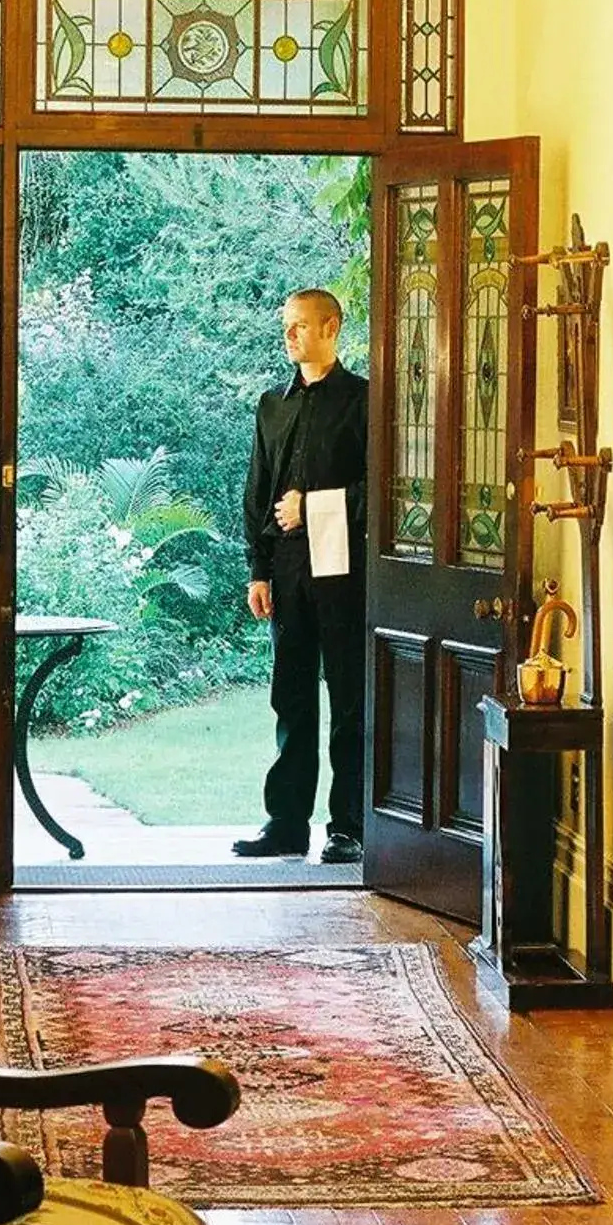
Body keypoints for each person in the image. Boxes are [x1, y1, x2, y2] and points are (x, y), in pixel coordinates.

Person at [235, 287, 368, 863]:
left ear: (331, 327)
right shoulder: (272, 405)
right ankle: (286, 823)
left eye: (301, 326)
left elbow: (382, 491)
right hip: (286, 569)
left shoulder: (364, 401)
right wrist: (257, 571)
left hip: (342, 570)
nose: (290, 336)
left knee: (348, 696)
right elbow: (258, 492)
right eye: (286, 326)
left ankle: (349, 826)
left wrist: (313, 506)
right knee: (290, 696)